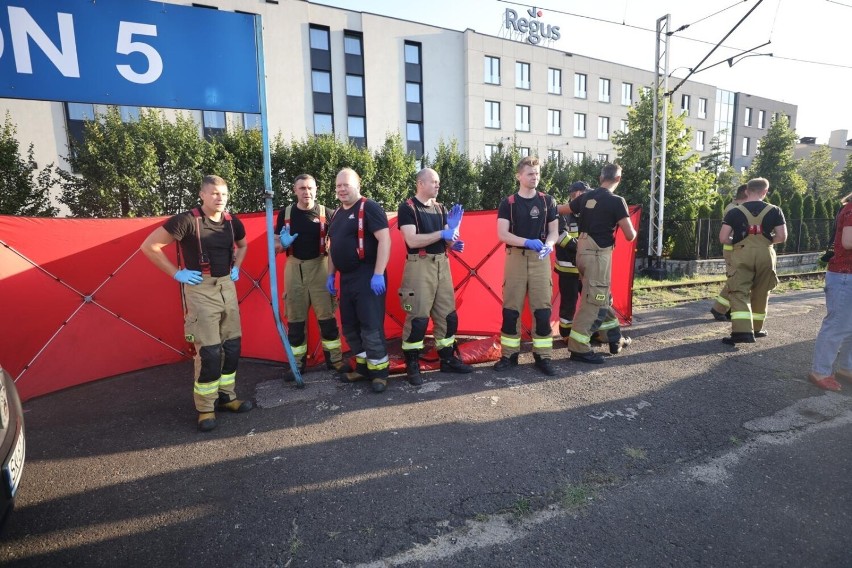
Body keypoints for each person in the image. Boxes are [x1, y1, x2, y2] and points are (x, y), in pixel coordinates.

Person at [141, 175, 253, 432]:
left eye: (224, 194)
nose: (220, 198)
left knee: (232, 346)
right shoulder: (186, 221)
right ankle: (205, 408)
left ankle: (227, 397)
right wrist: (175, 273)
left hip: (227, 286)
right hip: (200, 288)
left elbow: (243, 246)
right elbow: (149, 246)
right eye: (214, 193)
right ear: (202, 195)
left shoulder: (232, 222)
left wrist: (236, 267)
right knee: (210, 351)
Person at [396, 168, 473, 385]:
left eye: (438, 182)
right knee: (418, 318)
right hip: (419, 265)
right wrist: (442, 234)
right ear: (420, 183)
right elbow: (412, 240)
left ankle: (447, 359)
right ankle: (412, 365)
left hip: (442, 263)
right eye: (434, 182)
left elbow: (448, 240)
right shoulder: (407, 208)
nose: (438, 185)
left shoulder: (441, 208)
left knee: (448, 315)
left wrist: (454, 239)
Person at [556, 163, 636, 364]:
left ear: (601, 178)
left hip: (581, 255)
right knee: (594, 299)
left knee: (602, 297)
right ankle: (579, 347)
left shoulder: (585, 197)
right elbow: (629, 235)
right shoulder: (617, 201)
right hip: (598, 256)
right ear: (618, 179)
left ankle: (613, 338)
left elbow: (561, 209)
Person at [274, 174, 348, 379]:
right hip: (294, 267)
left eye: (310, 188)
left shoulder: (329, 213)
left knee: (327, 318)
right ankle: (296, 364)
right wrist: (283, 244)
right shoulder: (285, 214)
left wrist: (333, 275)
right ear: (294, 190)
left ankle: (335, 360)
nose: (306, 192)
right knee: (296, 320)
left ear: (316, 189)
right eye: (302, 188)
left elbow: (336, 246)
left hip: (320, 266)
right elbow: (274, 247)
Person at [327, 168, 392, 393]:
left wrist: (378, 273)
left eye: (346, 184)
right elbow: (332, 247)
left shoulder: (369, 207)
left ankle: (380, 372)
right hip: (346, 278)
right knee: (350, 327)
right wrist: (330, 274)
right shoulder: (336, 214)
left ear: (358, 185)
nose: (342, 189)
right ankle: (363, 368)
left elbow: (385, 239)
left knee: (370, 327)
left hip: (367, 275)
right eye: (338, 186)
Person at [493, 156, 559, 376]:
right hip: (516, 258)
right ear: (519, 176)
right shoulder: (508, 203)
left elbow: (554, 232)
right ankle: (509, 355)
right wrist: (525, 241)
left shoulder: (547, 201)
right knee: (511, 310)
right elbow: (502, 234)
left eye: (537, 173)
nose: (535, 177)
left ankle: (543, 356)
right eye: (530, 173)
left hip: (540, 259)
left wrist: (549, 244)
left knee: (542, 310)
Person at [718, 177, 787, 345]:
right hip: (765, 255)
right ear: (765, 192)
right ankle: (757, 329)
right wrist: (765, 241)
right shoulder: (775, 210)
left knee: (738, 292)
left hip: (742, 254)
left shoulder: (734, 212)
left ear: (747, 191)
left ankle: (742, 332)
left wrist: (738, 242)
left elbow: (723, 237)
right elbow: (782, 237)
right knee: (762, 291)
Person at [808, 192, 852, 391]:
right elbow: (848, 242)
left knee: (848, 327)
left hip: (846, 275)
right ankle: (820, 372)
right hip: (845, 276)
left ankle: (846, 368)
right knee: (836, 326)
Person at [554, 181, 591, 344]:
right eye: (578, 194)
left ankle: (591, 331)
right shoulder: (563, 213)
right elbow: (560, 236)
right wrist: (582, 248)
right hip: (568, 269)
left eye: (584, 194)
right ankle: (566, 334)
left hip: (587, 268)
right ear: (573, 195)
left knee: (591, 302)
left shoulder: (590, 213)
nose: (580, 197)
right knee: (568, 304)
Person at [710, 184, 749, 321]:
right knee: (735, 280)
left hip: (737, 249)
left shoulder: (736, 207)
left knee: (737, 280)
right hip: (732, 249)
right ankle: (719, 309)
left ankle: (726, 309)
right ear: (746, 192)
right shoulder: (734, 209)